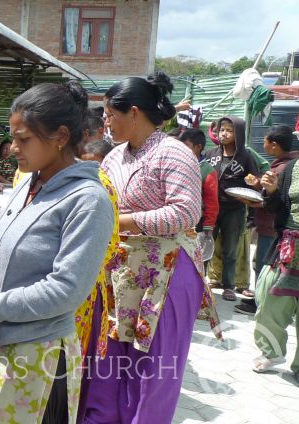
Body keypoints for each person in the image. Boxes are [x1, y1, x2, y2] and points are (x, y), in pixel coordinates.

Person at [0, 81, 114, 423]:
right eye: (12, 137)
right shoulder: (28, 184)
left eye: (23, 139)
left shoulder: (87, 201)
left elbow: (64, 292)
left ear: (59, 136)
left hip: (34, 357)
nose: (12, 148)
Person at [81, 72, 222, 424]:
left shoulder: (174, 153)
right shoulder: (114, 157)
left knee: (154, 364)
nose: (105, 121)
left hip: (167, 273)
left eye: (110, 114)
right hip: (121, 270)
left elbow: (186, 211)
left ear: (133, 112)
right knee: (109, 356)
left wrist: (123, 222)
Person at [235, 125, 299, 315]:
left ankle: (261, 303)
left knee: (266, 266)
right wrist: (258, 185)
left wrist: (248, 198)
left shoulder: (286, 168)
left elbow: (274, 202)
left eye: (264, 141)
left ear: (273, 144)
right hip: (271, 226)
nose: (263, 145)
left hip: (274, 227)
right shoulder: (283, 165)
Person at [205, 116, 263, 301]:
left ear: (238, 134)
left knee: (230, 248)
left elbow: (256, 181)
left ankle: (229, 286)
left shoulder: (245, 157)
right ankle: (201, 282)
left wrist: (254, 182)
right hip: (210, 208)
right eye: (222, 129)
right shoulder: (210, 154)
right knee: (206, 245)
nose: (224, 133)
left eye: (229, 130)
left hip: (234, 209)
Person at [252, 158, 299, 381]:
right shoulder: (292, 167)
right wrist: (271, 191)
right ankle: (272, 352)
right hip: (287, 246)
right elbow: (278, 206)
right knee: (267, 299)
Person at [178, 128, 219, 235]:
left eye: (186, 146)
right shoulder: (176, 165)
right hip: (177, 219)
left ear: (198, 147)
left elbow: (211, 201)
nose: (181, 150)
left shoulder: (207, 170)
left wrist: (208, 227)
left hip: (196, 222)